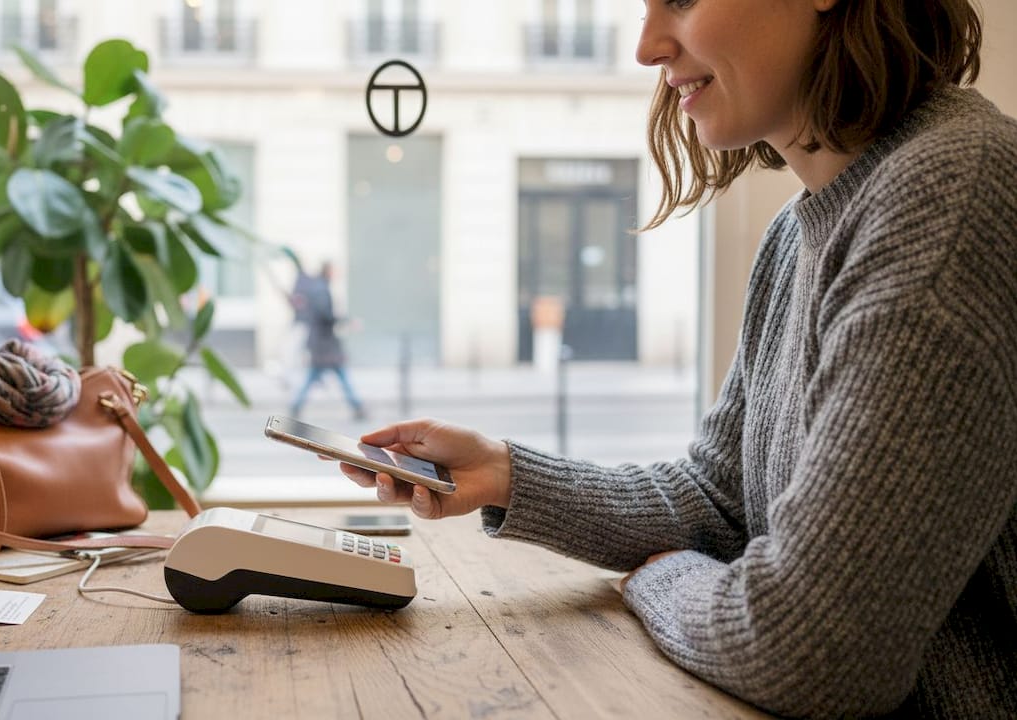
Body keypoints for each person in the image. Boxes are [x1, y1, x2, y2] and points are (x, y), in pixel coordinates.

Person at [341, 0, 1017, 717]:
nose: (646, 47)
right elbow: (721, 503)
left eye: (682, 0)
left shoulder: (954, 198)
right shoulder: (797, 235)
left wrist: (664, 580)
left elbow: (814, 648)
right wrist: (507, 474)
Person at [288, 261, 367, 421]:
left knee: (317, 376)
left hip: (322, 342)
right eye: (335, 271)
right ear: (328, 271)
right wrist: (346, 320)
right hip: (324, 343)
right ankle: (357, 405)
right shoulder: (321, 290)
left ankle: (296, 405)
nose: (337, 274)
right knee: (338, 374)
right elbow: (325, 315)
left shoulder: (319, 288)